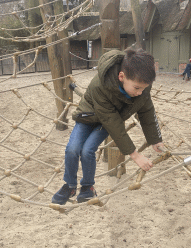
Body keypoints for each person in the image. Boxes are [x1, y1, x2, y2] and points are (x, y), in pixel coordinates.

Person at [52, 48, 164, 205]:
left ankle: (87, 187)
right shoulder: (101, 85)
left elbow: (146, 111)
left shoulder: (141, 87)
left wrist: (155, 139)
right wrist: (135, 155)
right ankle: (70, 185)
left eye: (143, 88)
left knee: (87, 150)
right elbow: (112, 122)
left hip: (109, 120)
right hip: (88, 116)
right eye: (137, 88)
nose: (140, 92)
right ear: (121, 76)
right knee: (72, 149)